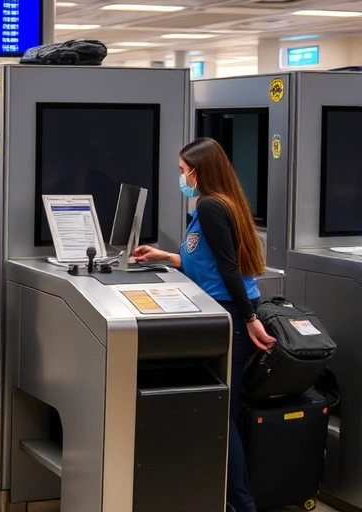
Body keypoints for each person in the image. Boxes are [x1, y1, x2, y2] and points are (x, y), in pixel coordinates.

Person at [132, 137, 274, 512]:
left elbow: (229, 269)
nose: (181, 178)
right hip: (226, 308)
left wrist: (249, 320)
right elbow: (207, 261)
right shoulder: (217, 204)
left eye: (183, 171)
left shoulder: (211, 206)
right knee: (220, 407)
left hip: (229, 312)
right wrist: (167, 256)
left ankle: (242, 504)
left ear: (199, 171)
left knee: (221, 411)